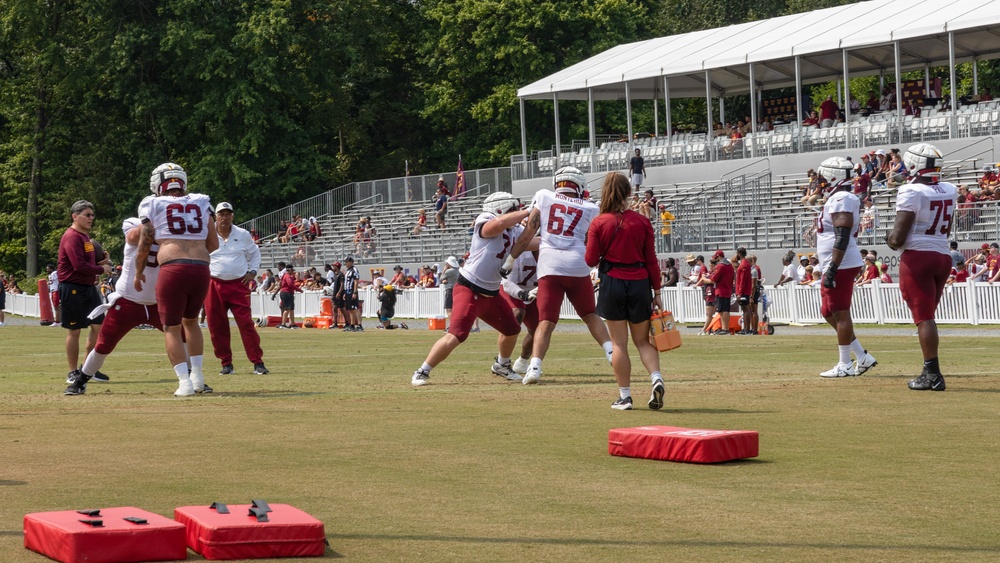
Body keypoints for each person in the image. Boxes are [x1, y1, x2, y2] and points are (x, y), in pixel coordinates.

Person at [64, 215, 212, 394]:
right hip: (128, 300)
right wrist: (159, 223)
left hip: (159, 301)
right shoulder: (137, 223)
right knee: (104, 344)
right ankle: (80, 381)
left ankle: (193, 377)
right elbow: (134, 236)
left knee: (182, 338)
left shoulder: (174, 232)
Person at [507, 166, 614, 385]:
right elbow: (591, 242)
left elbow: (529, 233)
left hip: (550, 266)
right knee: (590, 315)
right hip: (577, 265)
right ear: (579, 185)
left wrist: (510, 260)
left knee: (546, 321)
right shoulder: (591, 207)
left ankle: (534, 368)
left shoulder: (544, 196)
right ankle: (613, 355)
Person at [411, 192, 530, 387]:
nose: (517, 213)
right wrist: (527, 212)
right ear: (500, 209)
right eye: (513, 209)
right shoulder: (486, 219)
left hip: (491, 294)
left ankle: (502, 365)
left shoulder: (514, 230)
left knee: (511, 329)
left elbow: (533, 243)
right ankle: (422, 370)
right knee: (457, 334)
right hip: (470, 288)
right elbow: (497, 225)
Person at [134, 163, 218, 397]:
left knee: (171, 327)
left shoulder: (152, 202)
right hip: (201, 268)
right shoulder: (202, 201)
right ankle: (198, 377)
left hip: (173, 267)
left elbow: (146, 240)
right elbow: (213, 244)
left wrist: (139, 270)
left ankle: (184, 383)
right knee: (191, 322)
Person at [585, 172, 664, 410]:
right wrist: (657, 292)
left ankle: (625, 396)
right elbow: (652, 260)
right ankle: (656, 378)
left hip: (613, 282)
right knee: (642, 341)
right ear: (629, 193)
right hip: (640, 282)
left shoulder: (599, 222)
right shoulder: (642, 222)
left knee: (619, 344)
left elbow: (590, 260)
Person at [886, 143, 957, 391]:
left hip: (918, 257)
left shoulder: (911, 191)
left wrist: (889, 238)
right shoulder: (949, 188)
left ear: (914, 164)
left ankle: (933, 374)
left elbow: (897, 239)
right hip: (942, 254)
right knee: (928, 316)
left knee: (924, 318)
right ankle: (930, 371)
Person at [808, 157, 879, 378]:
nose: (820, 180)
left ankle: (845, 364)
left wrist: (832, 268)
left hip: (841, 262)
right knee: (828, 311)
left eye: (823, 175)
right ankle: (862, 356)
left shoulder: (841, 197)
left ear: (832, 175)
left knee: (840, 312)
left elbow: (842, 235)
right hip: (836, 262)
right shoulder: (839, 196)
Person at [206, 202, 268, 376]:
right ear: (215, 217)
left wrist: (253, 272)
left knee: (246, 324)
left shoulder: (242, 234)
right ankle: (226, 363)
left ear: (232, 216)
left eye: (227, 214)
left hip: (238, 284)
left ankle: (257, 362)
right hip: (214, 283)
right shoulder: (207, 234)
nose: (224, 217)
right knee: (217, 326)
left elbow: (255, 253)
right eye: (221, 214)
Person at [59, 200, 114, 385]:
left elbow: (87, 264)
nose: (91, 218)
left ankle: (88, 368)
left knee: (99, 326)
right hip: (72, 287)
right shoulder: (72, 236)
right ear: (75, 216)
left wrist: (101, 262)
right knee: (74, 330)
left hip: (88, 287)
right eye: (87, 215)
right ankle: (72, 372)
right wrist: (102, 269)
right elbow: (78, 266)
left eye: (92, 215)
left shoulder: (85, 237)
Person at [501, 247, 539, 376]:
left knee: (539, 330)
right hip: (512, 288)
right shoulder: (518, 253)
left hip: (534, 291)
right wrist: (523, 294)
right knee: (518, 313)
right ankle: (502, 361)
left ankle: (522, 362)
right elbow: (507, 282)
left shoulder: (550, 254)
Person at [701, 250, 734, 335]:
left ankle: (725, 328)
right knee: (725, 310)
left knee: (722, 311)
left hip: (721, 290)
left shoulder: (720, 266)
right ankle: (725, 328)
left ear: (719, 257)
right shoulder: (730, 265)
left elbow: (714, 279)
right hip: (728, 289)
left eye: (716, 258)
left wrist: (705, 279)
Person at [734, 248, 753, 334]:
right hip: (743, 290)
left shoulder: (744, 264)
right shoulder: (743, 263)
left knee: (746, 309)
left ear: (739, 254)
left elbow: (742, 280)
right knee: (744, 309)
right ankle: (745, 328)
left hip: (744, 290)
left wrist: (740, 292)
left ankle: (747, 329)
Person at [277, 264, 302, 328]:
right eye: (292, 270)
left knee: (291, 309)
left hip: (287, 293)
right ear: (290, 270)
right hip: (287, 293)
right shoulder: (287, 276)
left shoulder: (285, 276)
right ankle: (283, 324)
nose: (293, 272)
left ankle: (293, 324)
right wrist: (299, 289)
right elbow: (290, 284)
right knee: (287, 309)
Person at [340, 256, 362, 331]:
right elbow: (346, 282)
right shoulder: (348, 271)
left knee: (355, 308)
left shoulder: (354, 270)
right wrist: (345, 293)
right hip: (348, 291)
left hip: (352, 290)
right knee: (350, 309)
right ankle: (352, 325)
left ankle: (359, 325)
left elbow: (356, 281)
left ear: (350, 262)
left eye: (346, 262)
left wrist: (355, 292)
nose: (345, 263)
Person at [440, 256, 460, 323]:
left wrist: (444, 269)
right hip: (456, 290)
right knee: (455, 309)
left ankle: (452, 325)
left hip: (449, 290)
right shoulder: (457, 271)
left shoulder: (449, 271)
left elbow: (441, 278)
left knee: (449, 309)